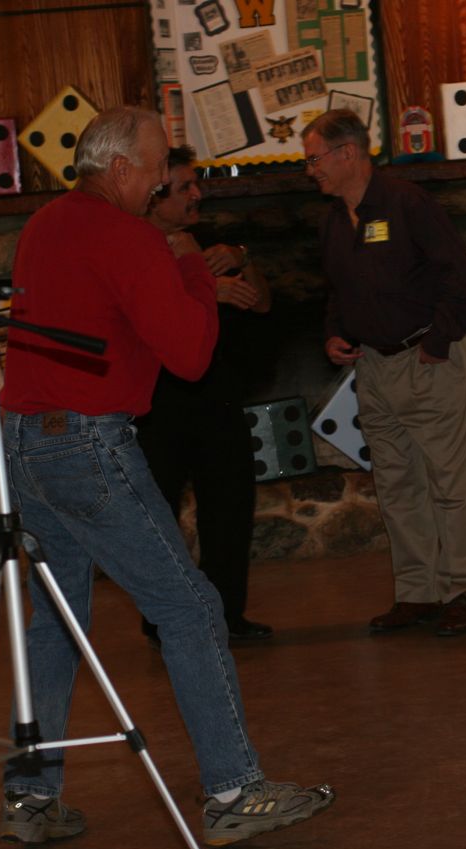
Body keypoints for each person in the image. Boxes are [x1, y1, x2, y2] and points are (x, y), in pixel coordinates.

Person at [0, 106, 333, 845]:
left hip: (25, 444)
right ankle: (233, 788)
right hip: (89, 442)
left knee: (54, 618)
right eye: (153, 171)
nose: (158, 187)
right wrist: (189, 268)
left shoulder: (45, 223)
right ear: (120, 169)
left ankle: (29, 797)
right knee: (190, 607)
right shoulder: (129, 235)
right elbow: (190, 355)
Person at [301, 109, 466, 636]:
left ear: (348, 153)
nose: (310, 169)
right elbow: (338, 290)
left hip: (428, 362)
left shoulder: (408, 203)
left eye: (315, 158)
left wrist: (437, 342)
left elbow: (459, 275)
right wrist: (334, 333)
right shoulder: (334, 220)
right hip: (374, 371)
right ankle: (417, 594)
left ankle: (460, 593)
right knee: (397, 485)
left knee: (454, 486)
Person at [137, 144, 274, 645]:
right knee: (159, 516)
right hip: (157, 403)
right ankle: (164, 620)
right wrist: (201, 289)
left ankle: (227, 617)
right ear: (154, 197)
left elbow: (261, 302)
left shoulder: (210, 240)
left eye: (196, 184)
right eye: (185, 187)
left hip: (217, 396)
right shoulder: (135, 246)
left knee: (230, 509)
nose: (198, 194)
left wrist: (244, 258)